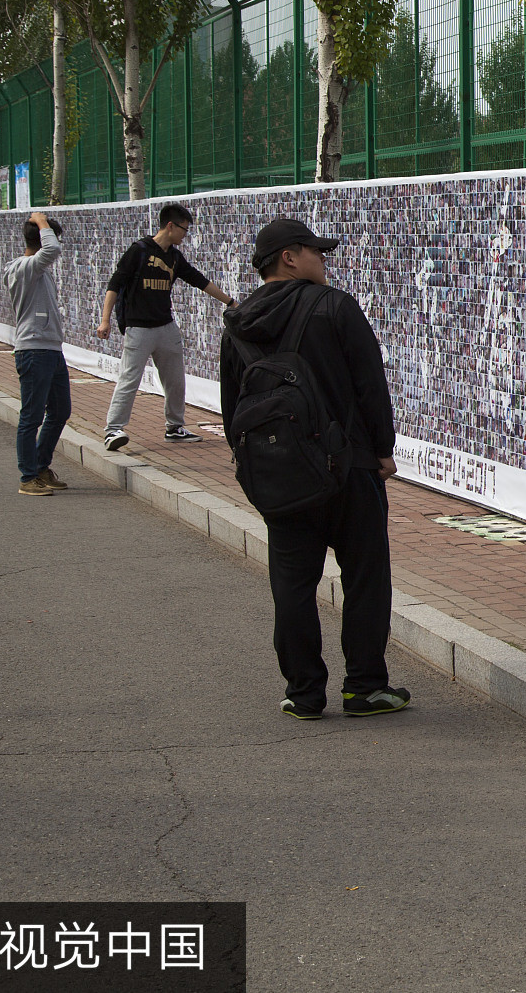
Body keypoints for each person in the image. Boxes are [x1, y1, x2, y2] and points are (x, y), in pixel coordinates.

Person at [219, 218, 407, 720]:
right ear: (289, 257)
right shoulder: (334, 306)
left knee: (292, 583)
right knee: (365, 577)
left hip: (282, 476)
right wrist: (383, 449)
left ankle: (303, 692)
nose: (324, 261)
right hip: (350, 470)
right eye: (316, 252)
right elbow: (370, 383)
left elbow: (231, 408)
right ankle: (365, 688)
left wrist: (255, 466)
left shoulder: (237, 322)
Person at [98, 203, 235, 449]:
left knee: (175, 380)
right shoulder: (138, 251)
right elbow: (114, 285)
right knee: (130, 379)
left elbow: (199, 280)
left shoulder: (173, 256)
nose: (186, 234)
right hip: (138, 329)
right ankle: (113, 430)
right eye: (184, 229)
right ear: (170, 226)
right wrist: (105, 319)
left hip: (166, 327)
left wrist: (231, 302)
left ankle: (175, 427)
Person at [5, 213, 71, 496]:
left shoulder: (38, 270)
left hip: (51, 349)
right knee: (31, 416)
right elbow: (52, 249)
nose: (58, 246)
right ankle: (27, 477)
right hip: (33, 350)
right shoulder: (23, 268)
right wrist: (41, 221)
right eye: (52, 237)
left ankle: (41, 466)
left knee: (60, 411)